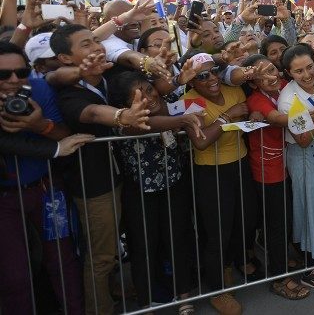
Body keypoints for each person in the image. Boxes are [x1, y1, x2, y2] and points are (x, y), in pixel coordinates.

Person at [50, 24, 152, 315]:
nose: (96, 47)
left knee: (115, 249)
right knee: (102, 257)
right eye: (85, 45)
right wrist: (123, 116)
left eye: (96, 40)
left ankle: (112, 291)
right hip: (93, 186)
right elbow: (92, 113)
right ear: (65, 58)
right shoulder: (68, 92)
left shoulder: (108, 76)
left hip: (117, 176)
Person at [0, 41, 89, 314]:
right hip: (4, 199)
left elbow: (65, 134)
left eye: (22, 72)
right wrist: (55, 149)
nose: (14, 80)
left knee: (63, 262)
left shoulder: (38, 90)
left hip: (46, 190)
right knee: (15, 276)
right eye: (3, 75)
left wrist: (40, 125)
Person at [108, 70, 200, 314]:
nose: (150, 98)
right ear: (124, 106)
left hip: (174, 185)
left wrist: (183, 80)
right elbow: (148, 124)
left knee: (178, 239)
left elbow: (187, 97)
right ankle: (146, 303)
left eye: (149, 90)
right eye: (138, 98)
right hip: (140, 193)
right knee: (144, 247)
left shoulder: (168, 104)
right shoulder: (123, 123)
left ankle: (184, 298)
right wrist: (183, 120)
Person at [181, 52, 257, 315]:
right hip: (211, 171)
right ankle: (216, 290)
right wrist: (227, 116)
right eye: (202, 75)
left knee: (242, 221)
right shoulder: (190, 100)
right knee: (216, 232)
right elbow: (200, 140)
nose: (212, 78)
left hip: (241, 164)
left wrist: (253, 114)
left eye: (215, 71)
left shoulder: (232, 90)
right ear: (191, 81)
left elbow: (248, 115)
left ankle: (227, 269)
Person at [243, 54, 311, 301]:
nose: (272, 77)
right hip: (267, 169)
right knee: (276, 225)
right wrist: (310, 117)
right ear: (253, 83)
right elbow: (276, 119)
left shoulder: (283, 87)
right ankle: (279, 279)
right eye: (264, 75)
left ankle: (287, 262)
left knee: (286, 218)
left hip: (287, 163)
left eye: (273, 70)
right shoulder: (256, 100)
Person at [277, 44, 314, 293]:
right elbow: (302, 139)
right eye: (298, 71)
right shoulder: (288, 99)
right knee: (310, 207)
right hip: (303, 154)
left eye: (309, 67)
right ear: (289, 73)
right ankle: (310, 269)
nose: (307, 74)